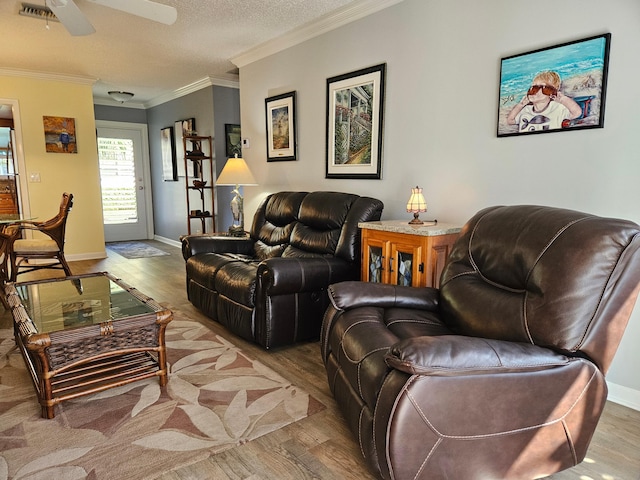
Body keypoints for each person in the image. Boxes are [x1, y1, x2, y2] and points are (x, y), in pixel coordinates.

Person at [507, 71, 582, 133]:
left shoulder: (557, 108)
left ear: (552, 93)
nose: (535, 92)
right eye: (533, 88)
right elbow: (510, 120)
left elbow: (576, 113)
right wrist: (520, 105)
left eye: (543, 88)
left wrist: (562, 99)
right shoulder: (526, 110)